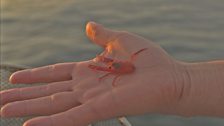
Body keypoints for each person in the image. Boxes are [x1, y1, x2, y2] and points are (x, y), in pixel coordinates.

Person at [0, 22, 223, 126]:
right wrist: (181, 83)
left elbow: (112, 71)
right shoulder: (113, 68)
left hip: (124, 69)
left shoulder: (112, 69)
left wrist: (180, 83)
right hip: (125, 69)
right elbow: (112, 69)